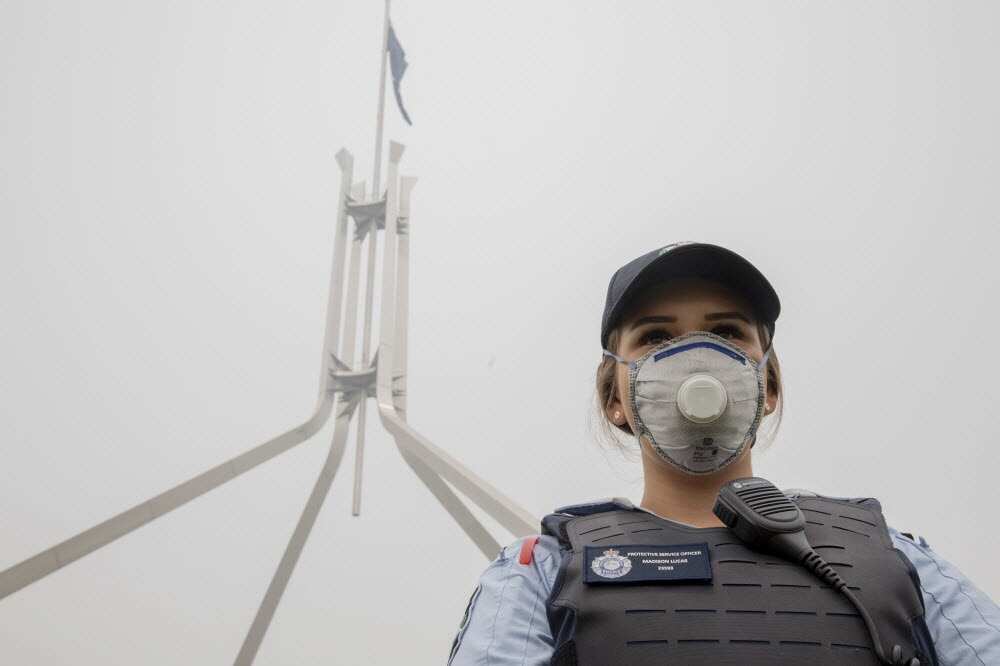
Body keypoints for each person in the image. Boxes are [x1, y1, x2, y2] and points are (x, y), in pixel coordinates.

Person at [446, 242, 1000, 665]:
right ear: (615, 398)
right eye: (656, 337)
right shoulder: (541, 570)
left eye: (728, 332)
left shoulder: (895, 557)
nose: (695, 357)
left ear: (769, 388)